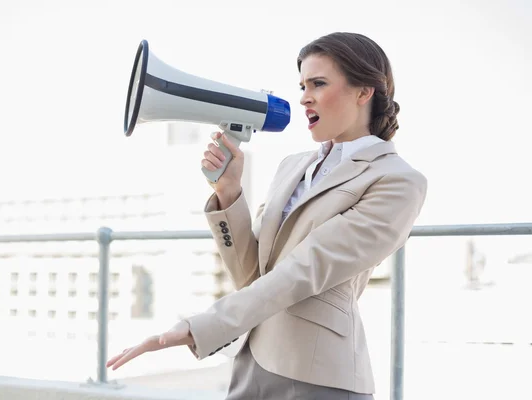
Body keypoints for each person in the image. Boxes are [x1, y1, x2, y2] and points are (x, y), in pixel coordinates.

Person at [107, 32, 427, 399]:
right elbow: (252, 275)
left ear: (364, 91)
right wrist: (230, 194)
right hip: (252, 361)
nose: (305, 97)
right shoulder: (293, 167)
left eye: (318, 84)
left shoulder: (397, 180)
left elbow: (305, 269)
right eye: (302, 85)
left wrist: (202, 327)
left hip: (319, 375)